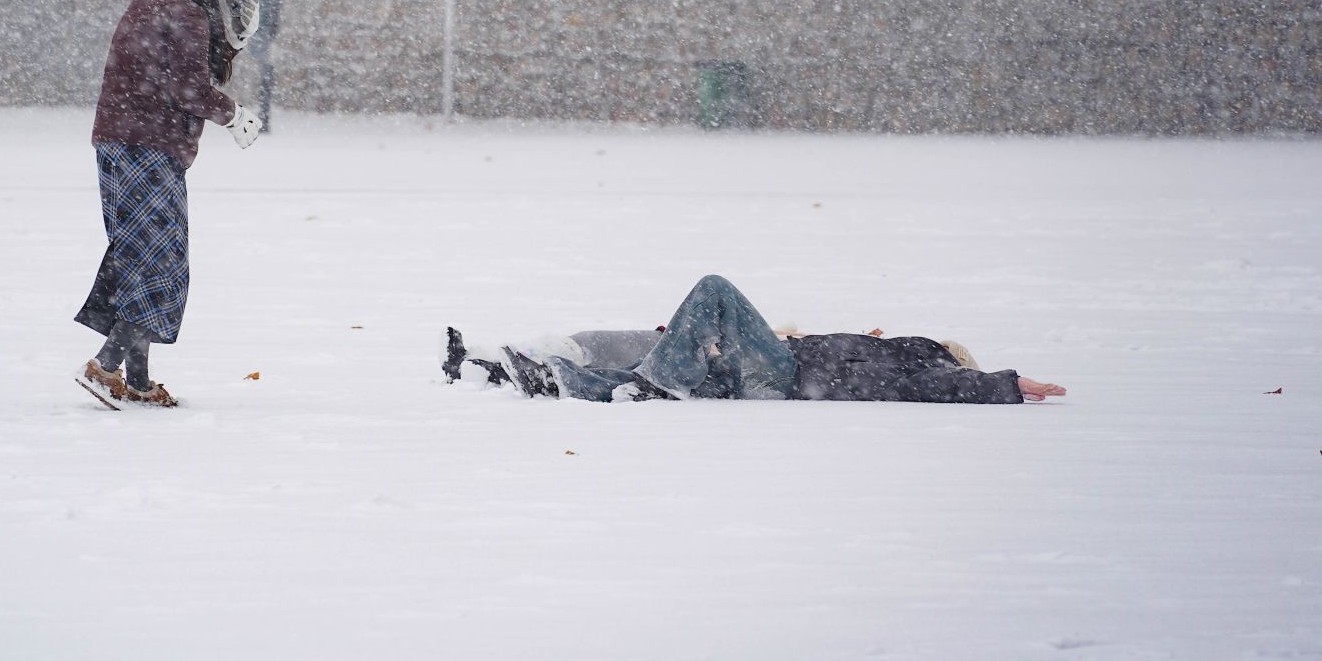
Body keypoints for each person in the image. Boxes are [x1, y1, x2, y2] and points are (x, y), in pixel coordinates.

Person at [76, 0, 262, 407]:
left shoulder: (155, 2)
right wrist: (233, 114)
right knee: (161, 261)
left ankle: (135, 381)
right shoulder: (186, 13)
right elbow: (188, 87)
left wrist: (234, 40)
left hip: (118, 143)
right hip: (148, 148)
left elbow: (182, 69)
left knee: (137, 257)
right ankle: (105, 366)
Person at [443, 274, 1066, 405]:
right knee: (634, 361)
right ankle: (519, 372)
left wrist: (1001, 382)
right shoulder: (884, 349)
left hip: (783, 375)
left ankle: (659, 382)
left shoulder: (917, 361)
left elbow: (930, 384)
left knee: (714, 288)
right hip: (759, 373)